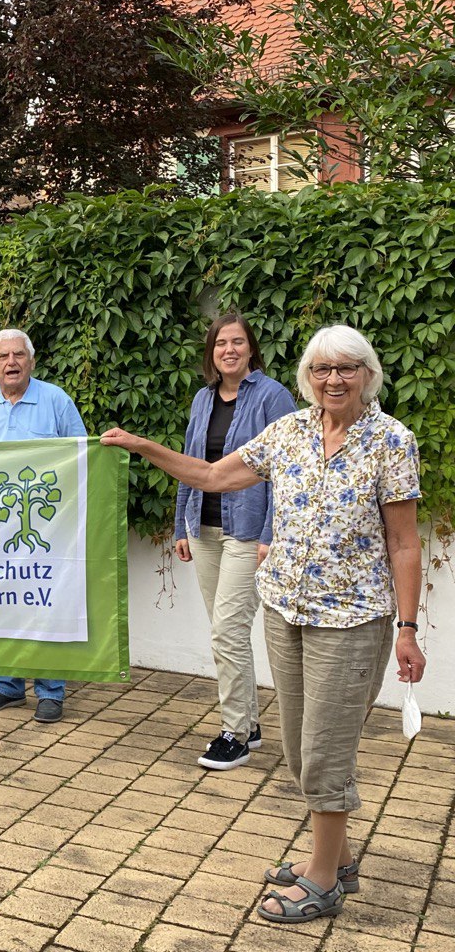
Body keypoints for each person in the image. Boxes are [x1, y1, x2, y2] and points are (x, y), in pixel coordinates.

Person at [101, 324, 424, 925]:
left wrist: (407, 628)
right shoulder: (289, 431)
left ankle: (323, 880)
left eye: (346, 368)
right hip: (284, 612)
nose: (333, 379)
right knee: (299, 749)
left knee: (326, 751)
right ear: (307, 376)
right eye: (322, 368)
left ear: (368, 375)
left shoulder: (391, 441)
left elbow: (404, 543)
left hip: (351, 620)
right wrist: (144, 447)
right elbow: (213, 477)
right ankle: (338, 859)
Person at [175, 314, 296, 770]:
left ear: (251, 349)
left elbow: (288, 469)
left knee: (227, 631)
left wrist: (271, 534)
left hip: (248, 531)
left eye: (238, 342)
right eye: (221, 343)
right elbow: (190, 463)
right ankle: (250, 722)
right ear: (211, 352)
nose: (229, 350)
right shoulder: (202, 399)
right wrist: (180, 525)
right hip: (204, 530)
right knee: (227, 633)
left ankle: (235, 735)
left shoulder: (272, 396)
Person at [0, 329, 86, 724]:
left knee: (45, 603)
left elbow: (82, 456)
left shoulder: (56, 401)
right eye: (3, 356)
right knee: (1, 602)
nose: (11, 362)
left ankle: (50, 690)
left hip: (48, 528)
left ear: (31, 362)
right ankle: (6, 685)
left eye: (18, 355)